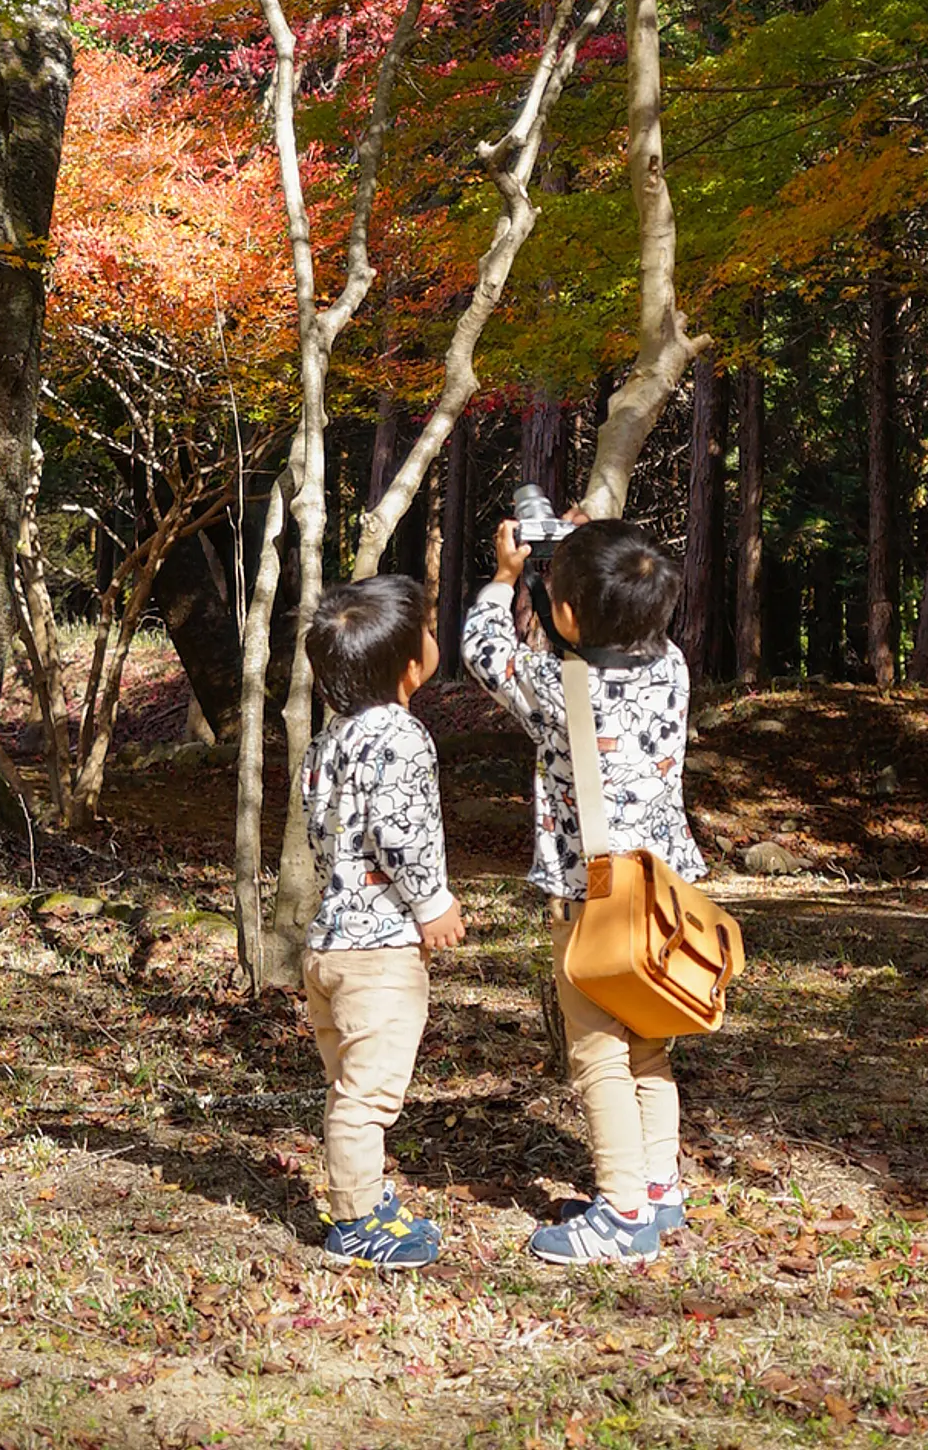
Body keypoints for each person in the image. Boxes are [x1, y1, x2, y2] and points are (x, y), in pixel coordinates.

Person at [464, 514, 702, 1265]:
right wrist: (590, 552)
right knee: (651, 1045)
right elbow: (616, 612)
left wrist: (506, 579)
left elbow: (484, 652)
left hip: (592, 898)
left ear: (563, 613)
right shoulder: (672, 667)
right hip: (665, 897)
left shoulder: (556, 684)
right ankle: (660, 1188)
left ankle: (622, 1211)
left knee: (597, 1052)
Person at [300, 573, 466, 1267]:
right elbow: (402, 835)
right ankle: (357, 1221)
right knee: (366, 1099)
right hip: (379, 952)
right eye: (428, 632)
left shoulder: (328, 739)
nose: (434, 639)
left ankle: (364, 1194)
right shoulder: (402, 734)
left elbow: (321, 830)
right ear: (408, 667)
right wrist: (433, 904)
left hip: (329, 946)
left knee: (349, 1085)